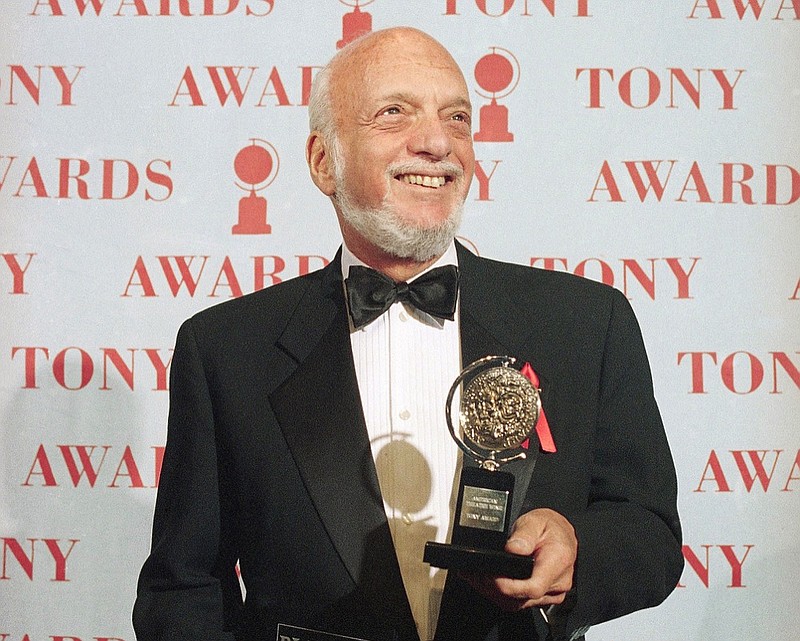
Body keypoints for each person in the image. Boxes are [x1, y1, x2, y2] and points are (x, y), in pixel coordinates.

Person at [133, 27, 683, 641]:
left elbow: (650, 532)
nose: (436, 142)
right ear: (323, 161)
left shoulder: (586, 323)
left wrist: (576, 550)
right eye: (393, 114)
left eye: (458, 117)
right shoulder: (226, 350)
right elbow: (181, 591)